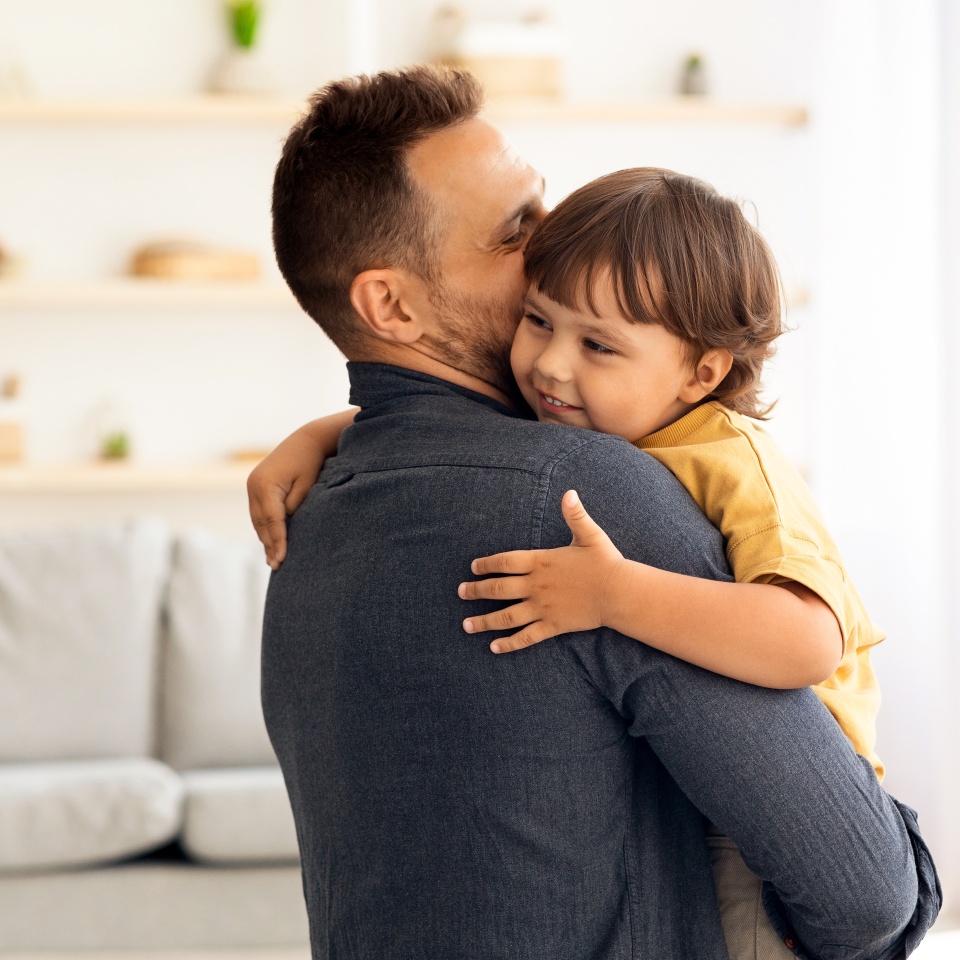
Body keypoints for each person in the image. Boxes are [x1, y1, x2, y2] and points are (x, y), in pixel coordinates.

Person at [255, 64, 938, 959]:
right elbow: (863, 896)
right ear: (391, 303)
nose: (554, 246)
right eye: (517, 231)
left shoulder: (303, 526)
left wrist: (329, 432)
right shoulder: (584, 501)